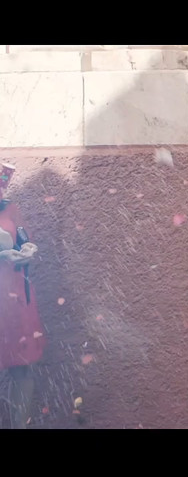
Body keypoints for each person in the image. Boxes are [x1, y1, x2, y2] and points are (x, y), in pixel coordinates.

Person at [0, 163, 45, 429]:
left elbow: (24, 236)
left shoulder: (10, 209)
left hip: (14, 298)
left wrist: (27, 247)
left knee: (21, 365)